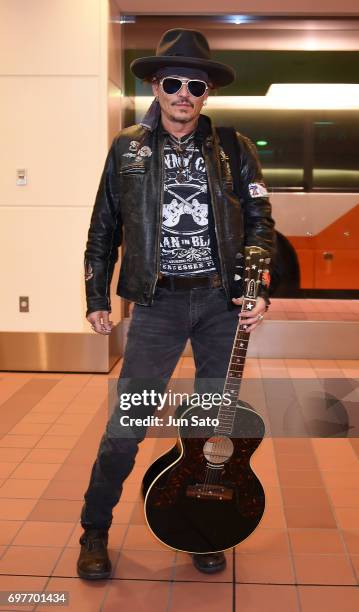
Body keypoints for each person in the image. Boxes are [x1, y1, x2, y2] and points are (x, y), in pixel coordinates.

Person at [77, 28, 275, 580]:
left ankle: (200, 528)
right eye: (172, 82)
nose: (183, 92)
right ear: (156, 87)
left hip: (219, 306)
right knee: (127, 426)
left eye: (195, 83)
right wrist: (97, 296)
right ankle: (95, 527)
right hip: (157, 306)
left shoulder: (235, 149)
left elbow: (261, 223)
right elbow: (103, 228)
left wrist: (256, 283)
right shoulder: (128, 149)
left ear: (206, 91)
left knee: (212, 429)